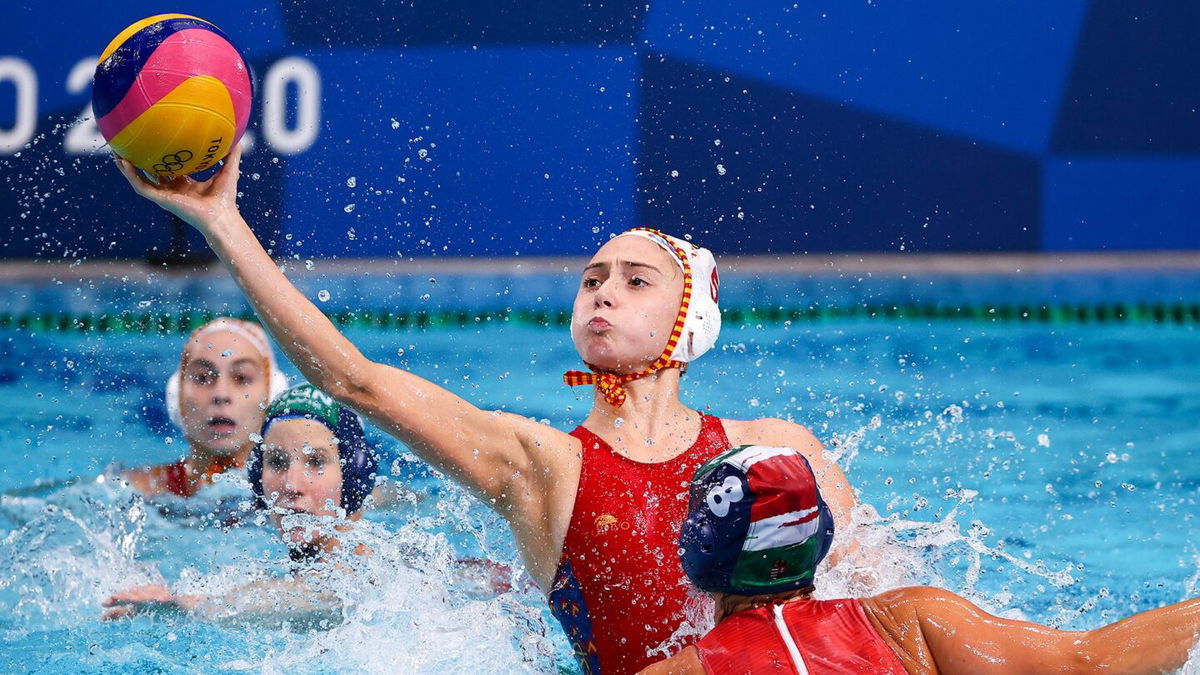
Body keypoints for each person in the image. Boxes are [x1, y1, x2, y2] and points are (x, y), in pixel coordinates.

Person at [114, 146, 862, 673]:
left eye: (637, 281)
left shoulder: (776, 450)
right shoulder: (542, 465)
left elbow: (870, 605)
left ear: (691, 319)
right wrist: (222, 222)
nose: (603, 289)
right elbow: (355, 381)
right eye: (593, 277)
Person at [639, 445, 1200, 674]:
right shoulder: (911, 619)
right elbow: (1088, 661)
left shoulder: (680, 671)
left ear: (700, 549)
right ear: (821, 537)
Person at [102, 382, 378, 620]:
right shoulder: (285, 577)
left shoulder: (375, 575)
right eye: (277, 463)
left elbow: (332, 599)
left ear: (355, 477)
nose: (291, 486)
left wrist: (192, 609)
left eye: (316, 461)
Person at [123, 317, 288, 498]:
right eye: (202, 378)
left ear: (271, 396)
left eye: (241, 378)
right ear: (177, 397)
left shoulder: (290, 492)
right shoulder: (139, 489)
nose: (221, 395)